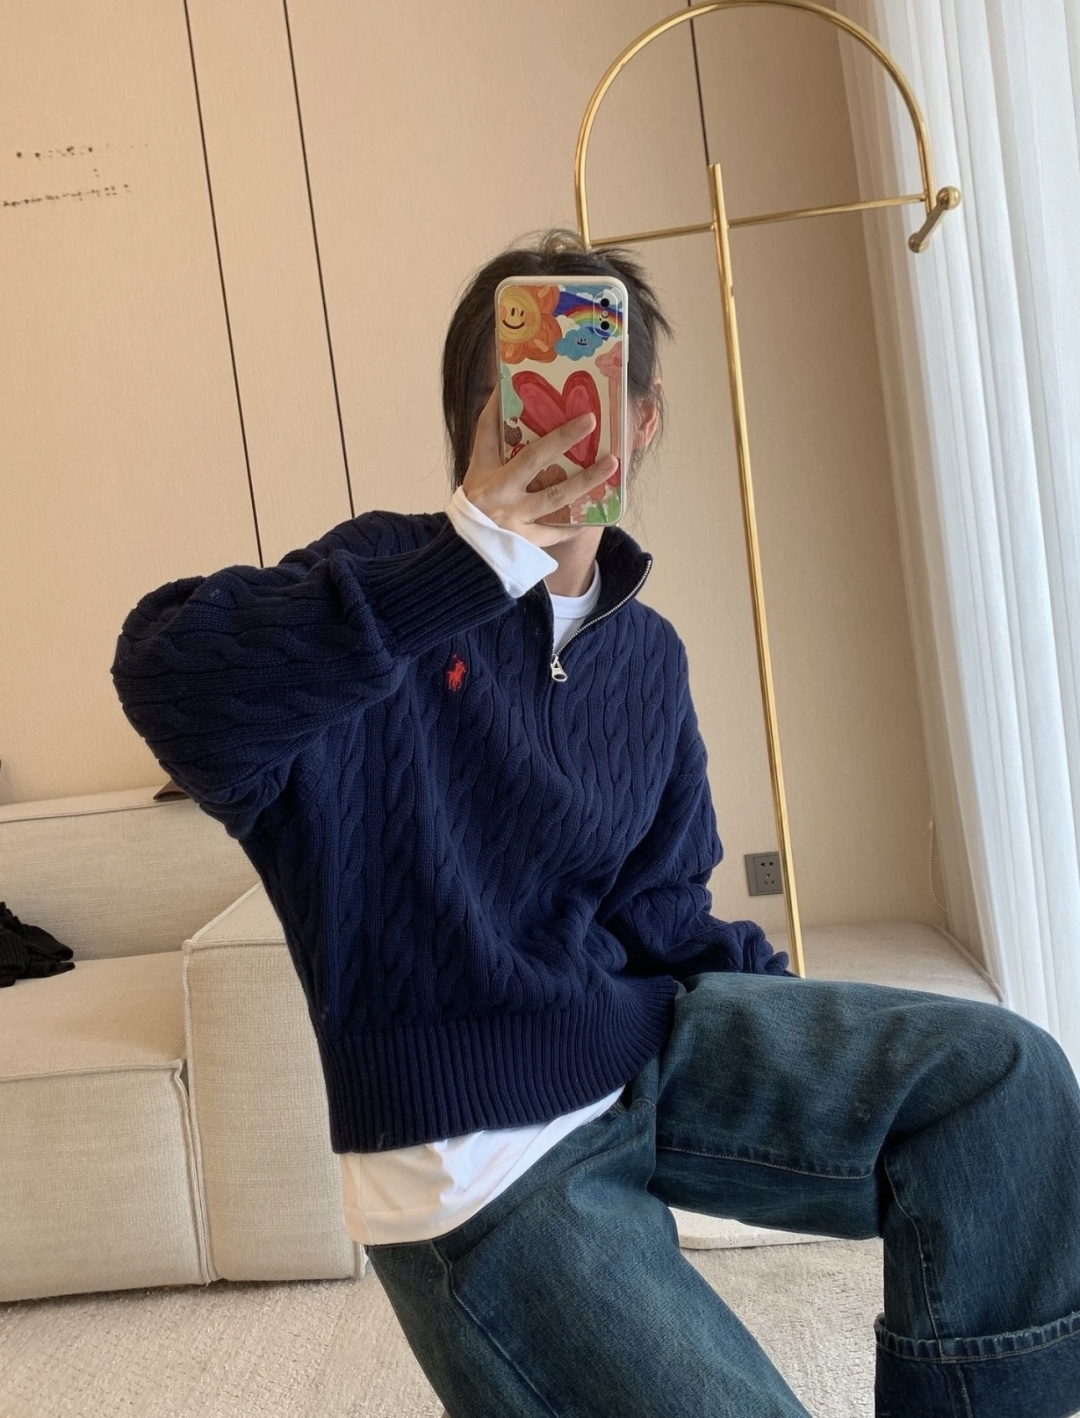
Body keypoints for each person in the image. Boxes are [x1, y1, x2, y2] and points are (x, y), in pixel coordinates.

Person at [110, 229, 1080, 1418]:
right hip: (480, 1160)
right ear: (478, 413)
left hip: (641, 1051)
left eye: (598, 390)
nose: (565, 421)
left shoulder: (646, 654)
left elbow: (661, 909)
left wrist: (798, 1027)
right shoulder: (384, 587)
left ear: (646, 418)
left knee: (1006, 1087)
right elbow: (168, 679)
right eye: (530, 389)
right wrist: (472, 556)